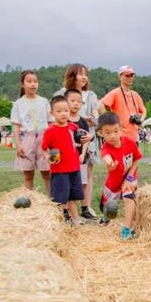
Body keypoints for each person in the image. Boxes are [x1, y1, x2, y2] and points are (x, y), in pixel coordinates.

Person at [54, 64, 100, 219]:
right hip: (66, 140)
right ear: (72, 75)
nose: (84, 77)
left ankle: (86, 207)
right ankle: (65, 208)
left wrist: (91, 120)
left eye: (86, 74)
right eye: (81, 74)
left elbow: (97, 116)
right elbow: (54, 113)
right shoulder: (61, 93)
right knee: (65, 174)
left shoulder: (91, 95)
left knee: (87, 174)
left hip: (87, 138)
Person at [41, 95, 86, 224]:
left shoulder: (73, 127)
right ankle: (59, 221)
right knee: (60, 198)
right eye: (59, 111)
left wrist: (85, 144)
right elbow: (44, 148)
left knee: (73, 196)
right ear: (52, 113)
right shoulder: (50, 131)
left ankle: (76, 219)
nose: (63, 114)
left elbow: (85, 137)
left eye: (66, 110)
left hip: (74, 167)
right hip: (59, 170)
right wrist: (47, 157)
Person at [96, 112, 142, 239]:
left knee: (129, 196)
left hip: (129, 177)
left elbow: (137, 159)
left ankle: (126, 230)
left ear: (120, 129)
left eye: (116, 131)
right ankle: (106, 217)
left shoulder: (129, 142)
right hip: (113, 183)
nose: (113, 135)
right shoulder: (105, 149)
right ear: (100, 133)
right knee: (110, 209)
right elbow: (106, 158)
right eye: (108, 132)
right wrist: (110, 165)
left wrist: (130, 177)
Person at [11, 70, 52, 193]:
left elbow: (50, 122)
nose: (33, 84)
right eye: (29, 81)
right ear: (23, 84)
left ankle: (52, 201)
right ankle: (29, 201)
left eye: (35, 81)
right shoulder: (18, 104)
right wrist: (18, 145)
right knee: (28, 173)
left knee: (47, 172)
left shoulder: (44, 101)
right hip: (27, 139)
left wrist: (52, 142)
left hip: (44, 138)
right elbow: (16, 126)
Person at [66, 89, 96, 220]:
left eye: (79, 101)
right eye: (72, 101)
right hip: (67, 159)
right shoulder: (64, 120)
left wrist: (83, 154)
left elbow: (86, 138)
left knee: (83, 182)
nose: (76, 104)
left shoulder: (83, 121)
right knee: (67, 184)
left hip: (81, 158)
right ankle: (67, 210)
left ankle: (84, 208)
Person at [99, 65, 147, 143]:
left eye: (132, 75)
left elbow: (144, 110)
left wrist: (140, 120)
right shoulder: (115, 93)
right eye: (127, 75)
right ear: (120, 76)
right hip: (120, 137)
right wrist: (109, 121)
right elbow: (101, 104)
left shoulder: (135, 95)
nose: (130, 78)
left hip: (134, 137)